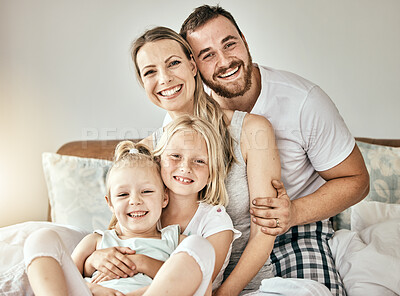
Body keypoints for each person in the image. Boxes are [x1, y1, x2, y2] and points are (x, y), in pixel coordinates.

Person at [177, 4, 371, 295]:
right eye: (208, 55)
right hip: (223, 234)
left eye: (230, 44)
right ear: (194, 66)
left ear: (244, 40)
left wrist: (293, 213)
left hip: (297, 231)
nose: (226, 60)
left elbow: (358, 181)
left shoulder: (304, 101)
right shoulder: (193, 116)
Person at [86, 26, 282, 296]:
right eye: (150, 72)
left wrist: (222, 294)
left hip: (238, 284)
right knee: (44, 239)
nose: (164, 79)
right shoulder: (145, 151)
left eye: (173, 63)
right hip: (158, 285)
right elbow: (122, 228)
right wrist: (92, 259)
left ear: (193, 65)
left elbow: (266, 229)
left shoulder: (251, 130)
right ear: (143, 83)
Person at [24, 142, 216, 296]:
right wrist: (92, 288)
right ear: (110, 204)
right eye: (123, 195)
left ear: (164, 197)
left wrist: (141, 263)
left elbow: (192, 280)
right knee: (39, 238)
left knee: (201, 246)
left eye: (146, 191)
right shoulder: (96, 242)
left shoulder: (176, 241)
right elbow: (67, 277)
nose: (135, 201)